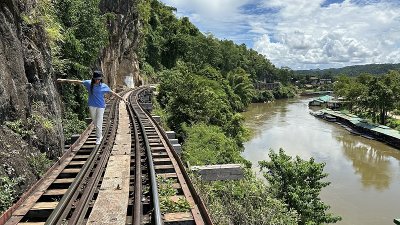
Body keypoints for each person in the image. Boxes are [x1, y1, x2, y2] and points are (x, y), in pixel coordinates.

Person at [57, 70, 129, 145]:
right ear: (93, 78)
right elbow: (77, 81)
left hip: (101, 106)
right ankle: (99, 134)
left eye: (99, 79)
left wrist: (123, 99)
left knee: (98, 122)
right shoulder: (89, 83)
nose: (97, 80)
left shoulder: (104, 86)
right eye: (96, 79)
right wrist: (64, 80)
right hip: (92, 106)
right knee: (95, 122)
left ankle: (99, 137)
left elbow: (113, 93)